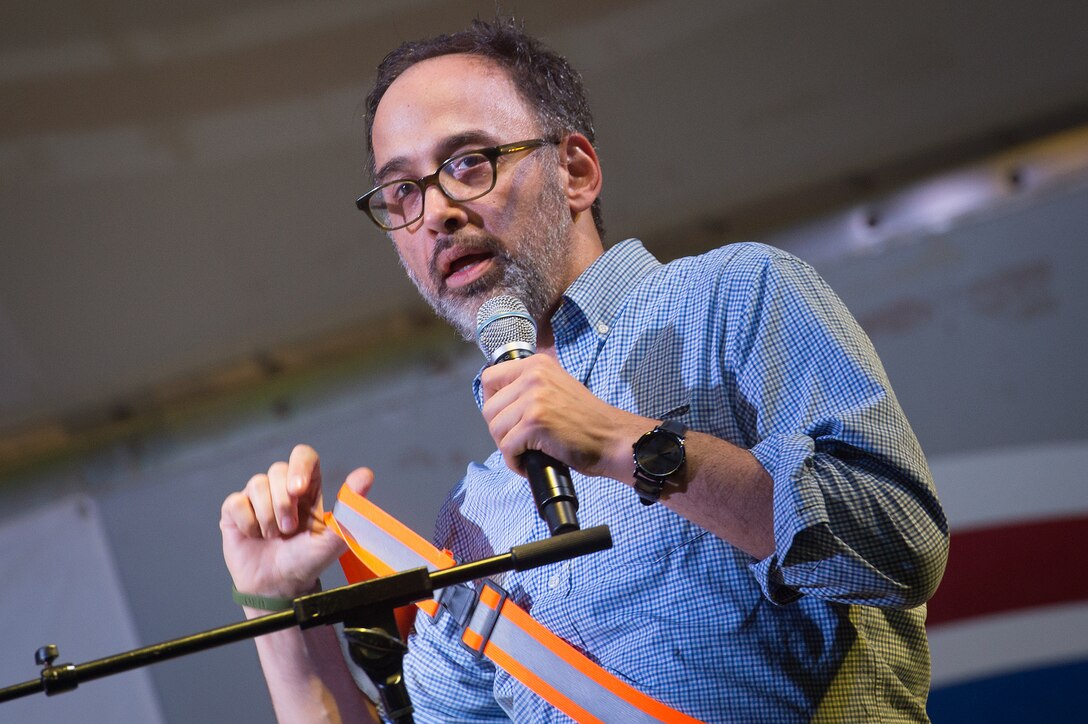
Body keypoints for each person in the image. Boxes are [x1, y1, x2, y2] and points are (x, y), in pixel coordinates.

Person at [219, 18, 948, 723]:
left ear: (575, 171)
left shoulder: (732, 297)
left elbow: (902, 545)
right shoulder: (476, 516)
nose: (434, 212)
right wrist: (281, 612)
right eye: (402, 192)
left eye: (468, 163)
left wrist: (622, 446)